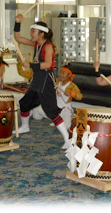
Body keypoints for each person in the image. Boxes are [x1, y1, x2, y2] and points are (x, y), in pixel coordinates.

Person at [12, 14, 70, 149]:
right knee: (24, 103)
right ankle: (25, 126)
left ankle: (67, 139)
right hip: (37, 79)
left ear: (42, 34)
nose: (31, 33)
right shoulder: (36, 44)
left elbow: (48, 64)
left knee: (50, 111)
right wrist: (17, 22)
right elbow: (18, 38)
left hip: (46, 81)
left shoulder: (48, 46)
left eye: (33, 31)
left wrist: (30, 65)